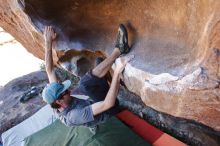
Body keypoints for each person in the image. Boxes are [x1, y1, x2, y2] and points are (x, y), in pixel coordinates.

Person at [42, 24, 134, 133]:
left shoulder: (53, 99)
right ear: (59, 101)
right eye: (66, 91)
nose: (69, 91)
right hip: (109, 111)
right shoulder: (73, 116)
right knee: (85, 84)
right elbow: (107, 104)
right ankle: (119, 50)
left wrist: (48, 41)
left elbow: (49, 70)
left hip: (93, 105)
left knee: (98, 64)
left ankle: (114, 58)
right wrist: (117, 72)